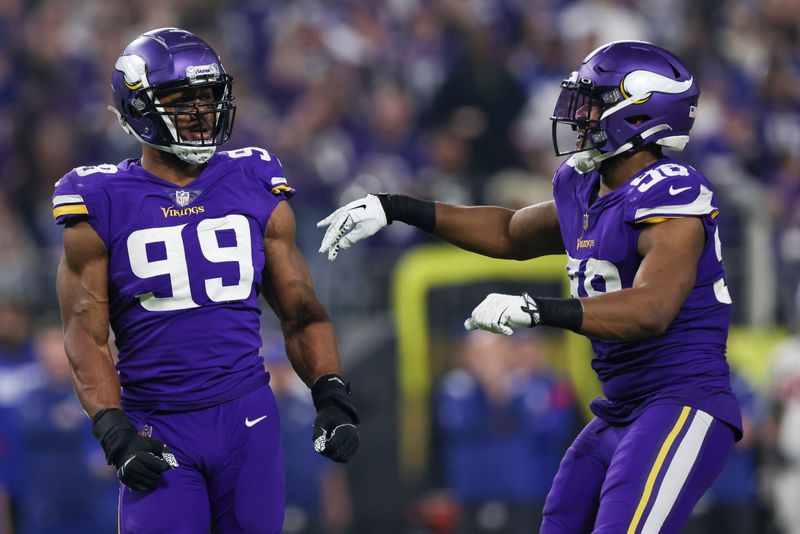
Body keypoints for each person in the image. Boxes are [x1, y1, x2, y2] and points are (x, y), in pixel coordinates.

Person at [319, 40, 742, 533]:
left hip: (681, 400)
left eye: (594, 102)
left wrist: (540, 310)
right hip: (620, 408)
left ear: (640, 114)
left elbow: (653, 309)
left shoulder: (671, 191)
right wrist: (396, 208)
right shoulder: (584, 185)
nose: (579, 114)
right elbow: (509, 232)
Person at [54, 27, 359, 534]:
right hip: (160, 422)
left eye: (208, 97)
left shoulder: (254, 180)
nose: (201, 113)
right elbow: (85, 334)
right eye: (181, 100)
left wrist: (330, 393)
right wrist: (114, 430)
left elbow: (301, 310)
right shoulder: (100, 198)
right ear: (138, 109)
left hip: (249, 420)